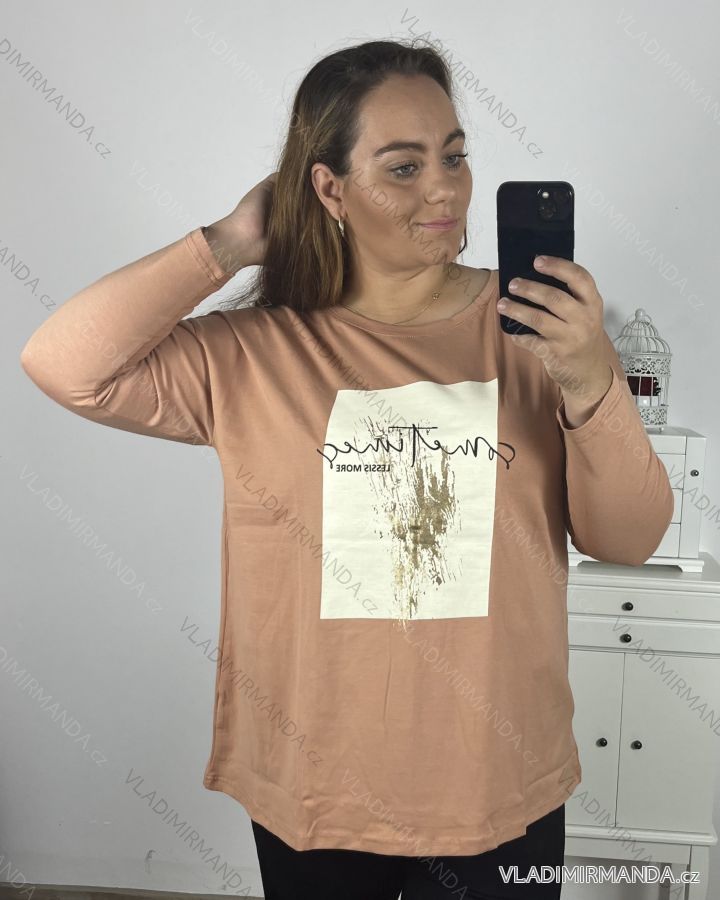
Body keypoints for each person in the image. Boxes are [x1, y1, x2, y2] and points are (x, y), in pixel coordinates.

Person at [20, 37, 673, 900]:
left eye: (454, 157)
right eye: (403, 168)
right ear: (330, 189)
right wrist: (228, 241)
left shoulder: (543, 335)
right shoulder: (256, 353)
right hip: (315, 784)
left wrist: (589, 377)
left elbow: (629, 539)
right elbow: (63, 364)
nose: (444, 189)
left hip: (499, 780)